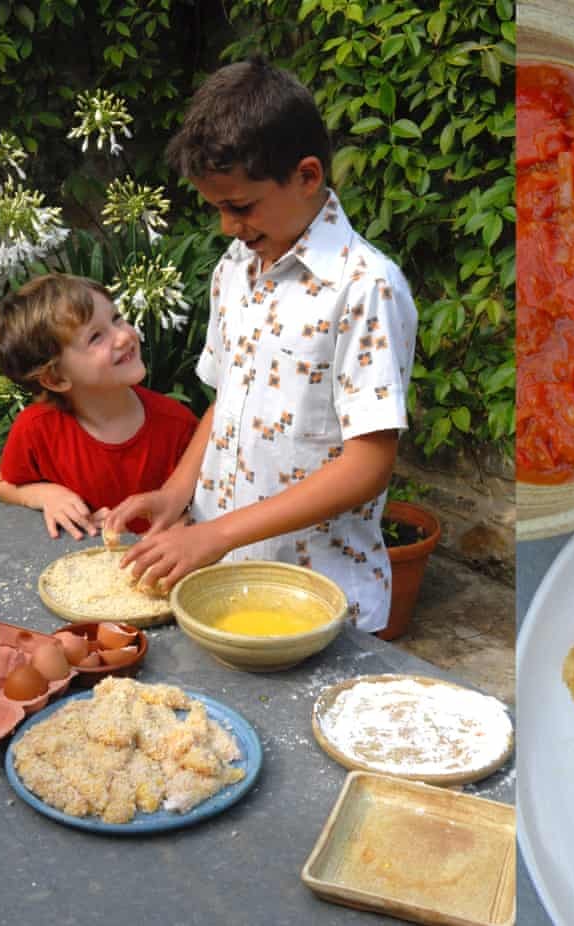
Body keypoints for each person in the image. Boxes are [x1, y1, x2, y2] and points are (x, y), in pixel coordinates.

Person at [105, 58, 417, 634]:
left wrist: (217, 533)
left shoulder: (364, 287)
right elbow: (226, 398)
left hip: (318, 596)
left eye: (240, 206)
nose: (227, 226)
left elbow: (368, 465)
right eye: (217, 207)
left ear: (306, 176)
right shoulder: (235, 267)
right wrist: (176, 496)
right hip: (218, 578)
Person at [0, 273, 199, 539]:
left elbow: (198, 506)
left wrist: (169, 534)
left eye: (116, 318)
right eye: (95, 337)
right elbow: (5, 485)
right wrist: (47, 495)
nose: (123, 336)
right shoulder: (35, 429)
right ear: (56, 378)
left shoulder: (177, 425)